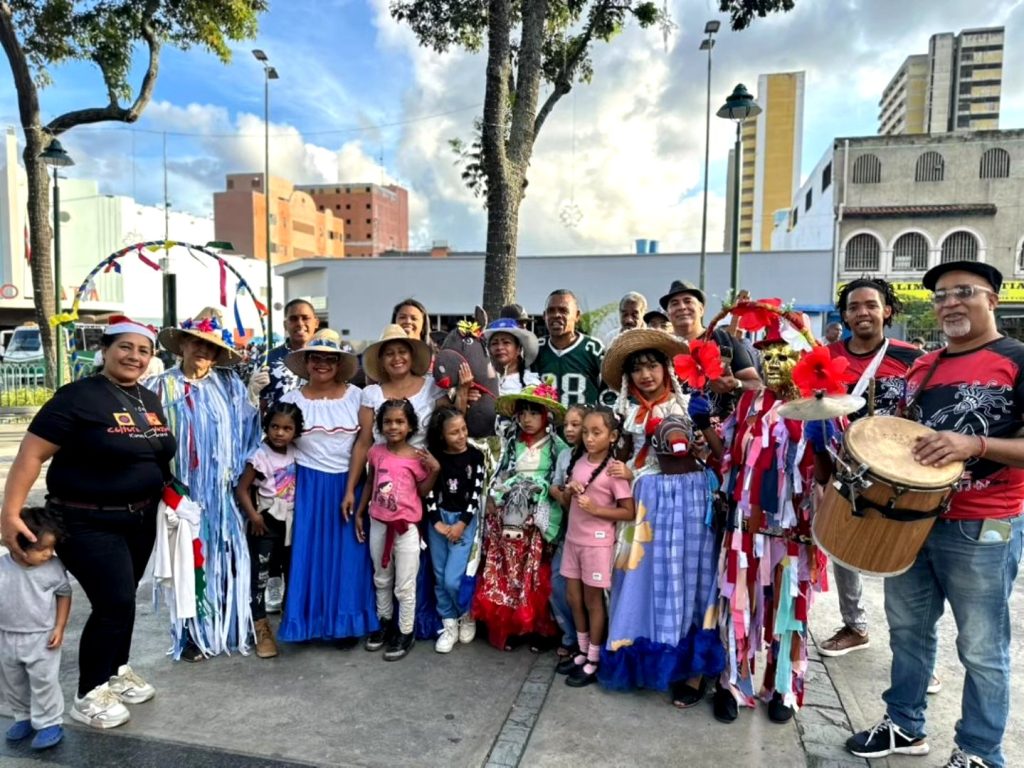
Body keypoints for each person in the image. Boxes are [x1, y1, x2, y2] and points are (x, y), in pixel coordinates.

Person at [846, 261, 1024, 768]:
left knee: (982, 649)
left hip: (982, 524)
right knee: (908, 632)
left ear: (993, 299)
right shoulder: (923, 366)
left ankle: (980, 751)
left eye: (963, 291)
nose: (950, 303)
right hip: (913, 520)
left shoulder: (1017, 359)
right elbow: (904, 441)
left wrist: (975, 444)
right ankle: (905, 724)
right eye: (941, 296)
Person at [1, 315, 172, 728]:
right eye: (125, 347)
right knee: (113, 602)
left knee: (124, 598)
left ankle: (116, 670)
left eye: (143, 350)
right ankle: (89, 693)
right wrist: (9, 514)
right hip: (85, 520)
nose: (134, 356)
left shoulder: (148, 399)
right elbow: (31, 455)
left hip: (139, 517)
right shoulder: (77, 397)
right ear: (105, 349)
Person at [714, 306, 823, 725]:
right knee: (737, 604)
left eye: (784, 354)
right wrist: (706, 426)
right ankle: (732, 682)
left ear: (803, 358)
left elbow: (826, 474)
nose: (773, 362)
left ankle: (784, 686)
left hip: (793, 530)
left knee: (788, 607)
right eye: (767, 354)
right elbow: (728, 458)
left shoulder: (820, 406)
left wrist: (825, 435)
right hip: (745, 526)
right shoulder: (747, 403)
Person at [814, 279, 923, 661]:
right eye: (854, 307)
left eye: (871, 305)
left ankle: (914, 652)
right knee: (843, 548)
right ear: (844, 315)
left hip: (901, 474)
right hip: (846, 469)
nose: (863, 312)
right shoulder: (826, 356)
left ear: (886, 311)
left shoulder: (913, 358)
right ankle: (855, 626)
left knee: (902, 557)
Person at [148, 309, 260, 661]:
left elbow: (248, 434)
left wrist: (254, 402)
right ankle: (189, 636)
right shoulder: (159, 388)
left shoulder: (229, 386)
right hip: (182, 497)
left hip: (223, 498)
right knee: (188, 564)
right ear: (182, 344)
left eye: (211, 347)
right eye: (196, 342)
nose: (203, 351)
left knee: (226, 561)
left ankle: (229, 628)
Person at [277, 330, 377, 647]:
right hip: (307, 485)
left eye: (329, 359)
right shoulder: (291, 400)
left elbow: (363, 443)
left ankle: (345, 624)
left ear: (338, 364)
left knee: (349, 556)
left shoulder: (357, 396)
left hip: (347, 482)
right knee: (309, 555)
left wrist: (350, 489)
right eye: (316, 358)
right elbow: (279, 442)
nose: (322, 364)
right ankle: (308, 623)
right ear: (306, 362)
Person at [474, 384, 567, 650]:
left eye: (534, 413)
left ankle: (540, 627)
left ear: (546, 416)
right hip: (509, 514)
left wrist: (540, 492)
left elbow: (560, 481)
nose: (527, 419)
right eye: (522, 413)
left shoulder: (557, 447)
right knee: (509, 571)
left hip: (538, 516)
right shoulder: (510, 444)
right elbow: (498, 474)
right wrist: (495, 497)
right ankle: (512, 626)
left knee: (536, 571)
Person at [246, 298, 320, 613]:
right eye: (293, 318)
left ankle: (301, 583)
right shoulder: (270, 359)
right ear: (285, 323)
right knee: (275, 517)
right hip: (278, 452)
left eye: (305, 318)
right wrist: (252, 394)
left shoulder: (326, 355)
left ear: (315, 322)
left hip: (314, 452)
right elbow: (257, 406)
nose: (299, 324)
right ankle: (274, 579)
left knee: (303, 521)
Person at [355, 399, 441, 661]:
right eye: (388, 422)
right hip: (379, 524)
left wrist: (435, 470)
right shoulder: (376, 452)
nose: (393, 427)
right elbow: (370, 481)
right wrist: (360, 511)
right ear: (380, 426)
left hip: (406, 528)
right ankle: (384, 622)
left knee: (405, 583)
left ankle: (405, 631)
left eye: (399, 422)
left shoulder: (418, 457)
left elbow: (422, 491)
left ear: (410, 426)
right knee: (381, 578)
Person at [556, 407, 634, 687]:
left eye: (596, 433)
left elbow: (628, 511)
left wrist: (597, 509)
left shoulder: (614, 470)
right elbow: (569, 503)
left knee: (593, 601)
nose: (589, 438)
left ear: (612, 436)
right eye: (586, 432)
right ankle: (581, 650)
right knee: (573, 598)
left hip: (596, 544)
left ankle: (594, 658)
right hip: (573, 540)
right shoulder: (579, 462)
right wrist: (569, 491)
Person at [0, 507, 72, 750]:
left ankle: (50, 722)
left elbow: (64, 594)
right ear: (18, 546)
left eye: (51, 548)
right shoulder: (3, 568)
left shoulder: (52, 567)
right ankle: (23, 717)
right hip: (6, 635)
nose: (48, 554)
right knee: (12, 682)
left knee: (44, 681)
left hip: (42, 637)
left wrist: (59, 626)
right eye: (42, 549)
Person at [235, 401, 302, 659]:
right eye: (275, 426)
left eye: (287, 428)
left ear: (295, 432)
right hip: (265, 523)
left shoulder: (296, 452)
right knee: (260, 576)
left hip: (291, 524)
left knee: (290, 571)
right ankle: (260, 626)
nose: (279, 433)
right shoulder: (260, 456)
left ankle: (289, 619)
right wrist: (254, 516)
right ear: (267, 426)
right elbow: (242, 489)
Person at [425, 409, 486, 653]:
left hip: (463, 522)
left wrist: (462, 523)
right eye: (454, 432)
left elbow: (476, 492)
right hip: (439, 522)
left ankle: (465, 613)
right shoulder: (435, 457)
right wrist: (436, 521)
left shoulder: (475, 456)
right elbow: (429, 491)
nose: (461, 436)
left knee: (453, 578)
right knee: (440, 577)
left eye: (463, 429)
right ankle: (448, 622)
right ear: (441, 435)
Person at [659, 280, 759, 417]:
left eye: (688, 301)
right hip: (673, 426)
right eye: (674, 303)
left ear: (701, 309)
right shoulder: (661, 349)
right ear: (668, 314)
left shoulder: (723, 341)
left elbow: (757, 385)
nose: (682, 307)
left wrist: (736, 384)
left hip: (722, 427)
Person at [549, 405, 586, 662]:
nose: (569, 430)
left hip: (592, 533)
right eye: (566, 425)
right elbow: (555, 485)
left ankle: (591, 642)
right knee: (558, 582)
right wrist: (559, 494)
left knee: (591, 592)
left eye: (576, 424)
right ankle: (571, 635)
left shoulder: (596, 457)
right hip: (568, 530)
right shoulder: (564, 455)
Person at [533, 289, 605, 406]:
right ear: (544, 316)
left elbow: (608, 393)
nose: (556, 315)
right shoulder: (536, 349)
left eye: (563, 310)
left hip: (585, 417)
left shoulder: (593, 349)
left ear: (577, 315)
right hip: (546, 418)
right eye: (551, 311)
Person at [484, 318, 541, 395]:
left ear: (518, 349)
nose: (500, 347)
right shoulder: (483, 380)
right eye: (494, 343)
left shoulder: (531, 383)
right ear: (489, 350)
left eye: (506, 342)